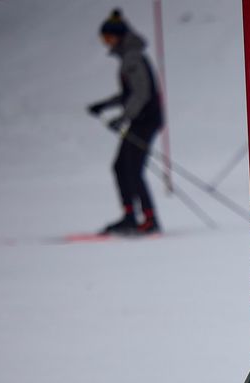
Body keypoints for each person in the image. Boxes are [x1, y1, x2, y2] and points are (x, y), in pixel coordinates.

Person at [87, 9, 164, 235]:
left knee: (132, 169)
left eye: (108, 38)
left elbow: (141, 94)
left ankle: (148, 219)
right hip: (140, 118)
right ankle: (130, 216)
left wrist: (123, 118)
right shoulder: (128, 56)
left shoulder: (132, 58)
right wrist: (104, 105)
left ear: (119, 36)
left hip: (145, 119)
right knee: (121, 167)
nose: (106, 43)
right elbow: (129, 94)